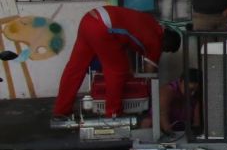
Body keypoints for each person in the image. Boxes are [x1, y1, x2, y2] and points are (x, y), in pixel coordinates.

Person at [52, 6, 181, 120]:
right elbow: (149, 73)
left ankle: (61, 110)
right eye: (166, 50)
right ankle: (113, 113)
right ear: (166, 42)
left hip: (89, 19)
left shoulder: (151, 23)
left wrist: (131, 69)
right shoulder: (156, 42)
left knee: (75, 68)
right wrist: (148, 94)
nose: (163, 51)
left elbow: (125, 41)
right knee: (117, 71)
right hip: (103, 27)